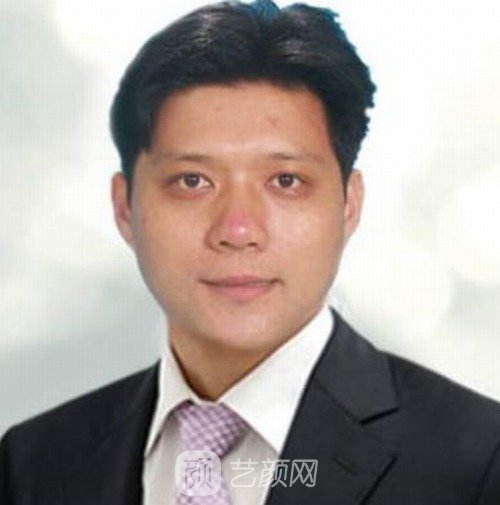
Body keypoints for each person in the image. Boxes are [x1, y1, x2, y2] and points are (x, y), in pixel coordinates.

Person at [1, 0, 500, 503]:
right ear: (124, 206)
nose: (238, 230)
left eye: (285, 181)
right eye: (192, 181)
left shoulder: (478, 459)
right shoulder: (34, 462)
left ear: (348, 204)